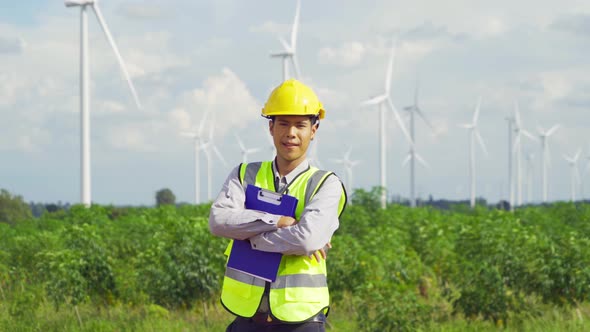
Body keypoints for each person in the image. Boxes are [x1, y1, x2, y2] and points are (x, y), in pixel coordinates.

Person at [209, 79, 347, 331]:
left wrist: (248, 236)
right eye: (283, 123)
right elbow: (219, 222)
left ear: (313, 130)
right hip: (248, 318)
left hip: (301, 320)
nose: (291, 133)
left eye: (300, 125)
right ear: (271, 127)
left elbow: (306, 239)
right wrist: (278, 222)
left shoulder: (326, 184)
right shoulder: (244, 174)